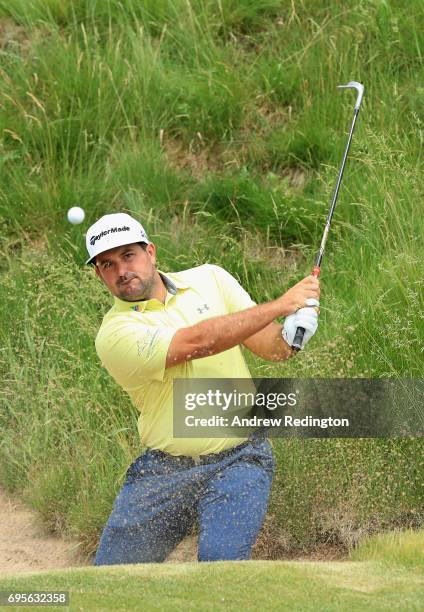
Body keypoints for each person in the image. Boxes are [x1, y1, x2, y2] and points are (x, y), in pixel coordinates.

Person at [87, 212, 320, 564]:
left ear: (151, 252)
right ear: (98, 274)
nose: (122, 271)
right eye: (108, 264)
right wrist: (281, 304)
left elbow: (271, 348)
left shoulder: (211, 279)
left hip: (240, 458)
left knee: (219, 570)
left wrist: (293, 332)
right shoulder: (115, 333)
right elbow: (198, 342)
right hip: (162, 472)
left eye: (128, 256)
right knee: (108, 581)